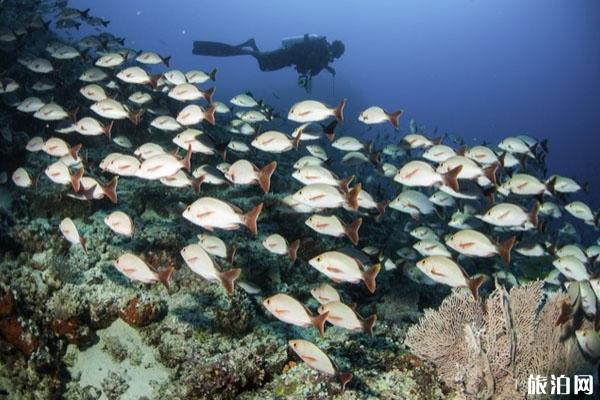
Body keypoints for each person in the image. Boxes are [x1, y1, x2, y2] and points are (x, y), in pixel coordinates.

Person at [192, 34, 345, 91]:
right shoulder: (321, 50)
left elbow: (311, 63)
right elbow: (309, 65)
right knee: (264, 65)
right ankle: (252, 47)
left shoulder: (321, 49)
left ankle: (253, 47)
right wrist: (323, 66)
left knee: (264, 64)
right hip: (287, 56)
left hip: (288, 57)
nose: (333, 58)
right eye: (335, 55)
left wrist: (327, 67)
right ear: (334, 51)